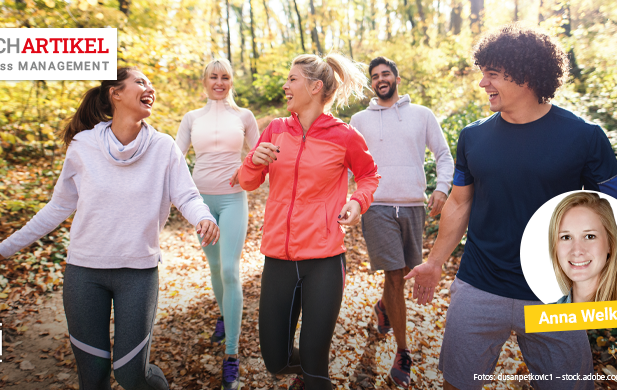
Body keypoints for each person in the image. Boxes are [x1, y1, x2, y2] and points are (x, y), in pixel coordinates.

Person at [404, 25, 617, 390]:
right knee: (458, 383)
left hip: (554, 296)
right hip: (479, 287)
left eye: (493, 74)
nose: (483, 83)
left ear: (527, 75)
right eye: (483, 72)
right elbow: (459, 202)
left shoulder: (584, 137)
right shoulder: (473, 136)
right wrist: (435, 262)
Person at [0, 67, 219, 390]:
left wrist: (204, 216)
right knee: (93, 376)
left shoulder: (164, 147)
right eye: (141, 82)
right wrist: (4, 248)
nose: (150, 88)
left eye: (151, 84)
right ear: (115, 93)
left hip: (138, 274)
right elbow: (57, 207)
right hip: (84, 274)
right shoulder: (83, 145)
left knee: (132, 375)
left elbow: (186, 195)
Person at [238, 53, 379, 390]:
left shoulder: (344, 136)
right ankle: (311, 375)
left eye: (292, 79)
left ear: (315, 87)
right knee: (276, 359)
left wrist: (357, 202)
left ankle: (317, 378)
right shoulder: (275, 129)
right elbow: (247, 181)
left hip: (325, 260)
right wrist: (254, 160)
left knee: (316, 363)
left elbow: (369, 176)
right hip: (279, 258)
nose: (285, 86)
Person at [348, 56, 453, 388]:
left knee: (401, 276)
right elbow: (347, 163)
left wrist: (441, 189)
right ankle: (402, 352)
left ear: (396, 77)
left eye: (386, 73)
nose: (381, 79)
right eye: (375, 75)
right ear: (372, 83)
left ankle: (384, 307)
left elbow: (444, 154)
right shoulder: (359, 119)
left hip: (413, 207)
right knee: (394, 274)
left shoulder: (421, 115)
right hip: (376, 207)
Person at [175, 58, 259, 389]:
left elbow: (262, 153)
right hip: (202, 207)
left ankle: (232, 355)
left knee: (230, 270)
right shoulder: (191, 118)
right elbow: (174, 157)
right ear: (205, 81)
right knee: (214, 269)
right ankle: (224, 315)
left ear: (231, 81)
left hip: (233, 199)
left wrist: (247, 171)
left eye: (225, 77)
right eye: (214, 77)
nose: (219, 82)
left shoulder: (244, 116)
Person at [550, 192, 617, 304]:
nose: (577, 251)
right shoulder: (544, 318)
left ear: (610, 244)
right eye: (566, 237)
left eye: (590, 236)